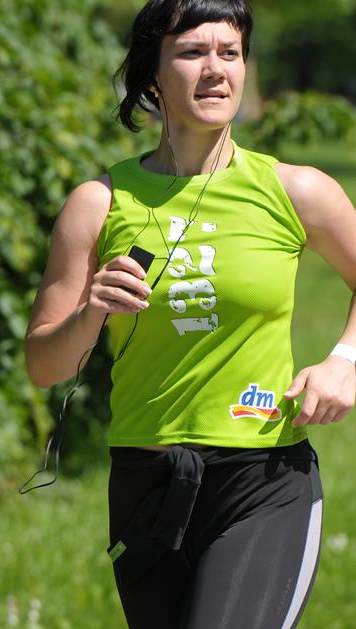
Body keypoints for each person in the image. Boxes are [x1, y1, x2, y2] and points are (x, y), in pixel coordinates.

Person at [24, 1, 356, 627]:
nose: (215, 69)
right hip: (145, 481)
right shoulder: (98, 203)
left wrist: (346, 360)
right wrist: (90, 312)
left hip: (262, 475)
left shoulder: (296, 190)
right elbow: (44, 366)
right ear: (152, 73)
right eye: (192, 52)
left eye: (230, 53)